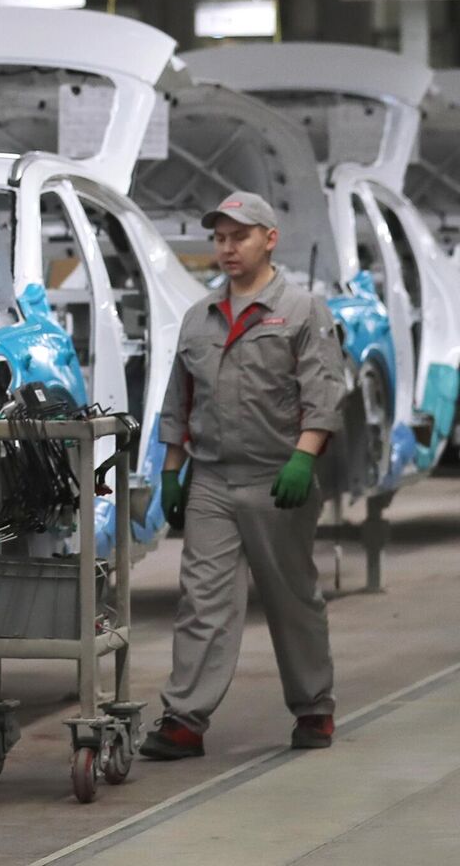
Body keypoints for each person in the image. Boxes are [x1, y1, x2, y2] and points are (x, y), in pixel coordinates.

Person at [141, 191, 342, 761]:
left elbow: (324, 391)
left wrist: (304, 457)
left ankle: (314, 707)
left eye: (240, 237)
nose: (228, 248)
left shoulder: (301, 311)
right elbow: (179, 401)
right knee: (202, 601)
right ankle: (185, 719)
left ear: (269, 239)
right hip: (211, 481)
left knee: (291, 598)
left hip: (279, 479)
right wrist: (173, 471)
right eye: (221, 238)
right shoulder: (199, 317)